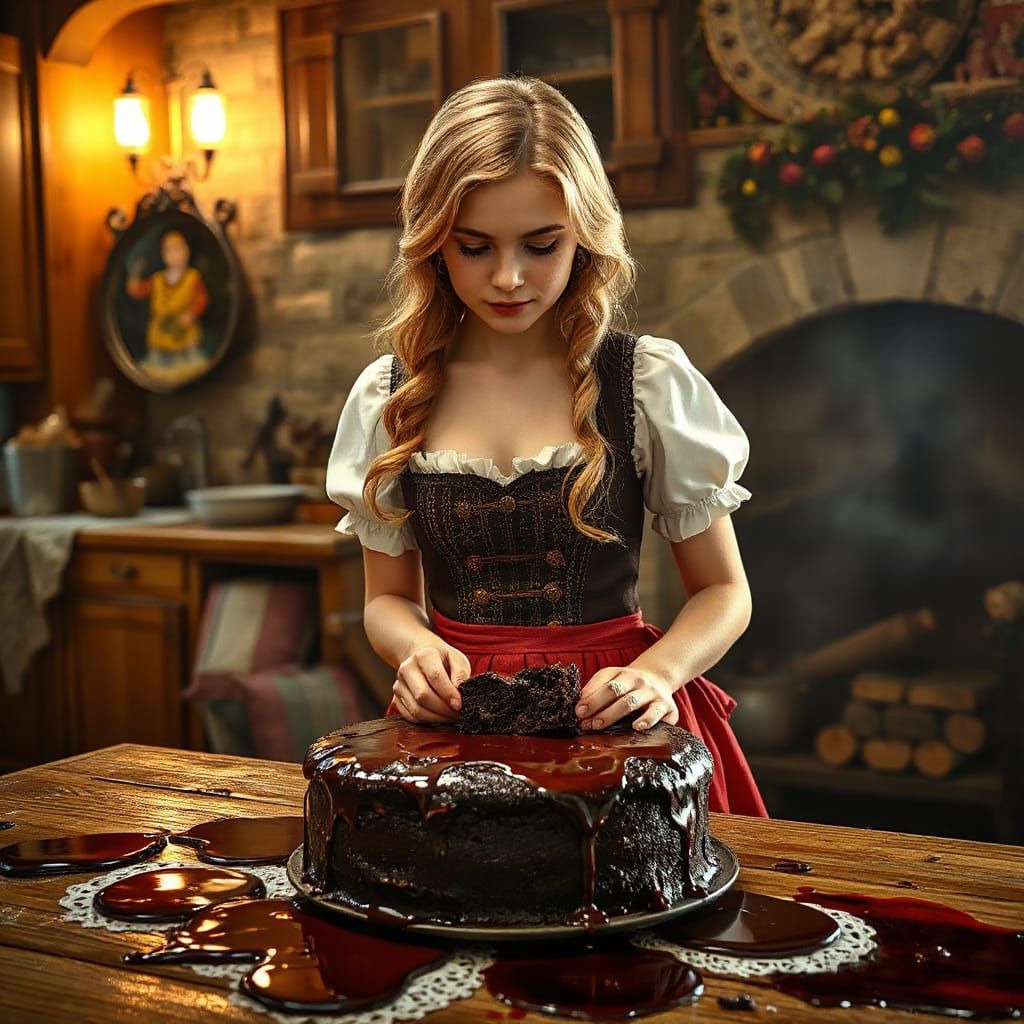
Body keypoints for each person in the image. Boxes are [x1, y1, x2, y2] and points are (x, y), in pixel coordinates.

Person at [326, 76, 767, 816]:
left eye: (541, 244)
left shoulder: (644, 381)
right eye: (474, 248)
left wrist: (658, 674)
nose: (508, 277)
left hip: (620, 726)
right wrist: (414, 652)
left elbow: (726, 592)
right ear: (435, 243)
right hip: (457, 731)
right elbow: (387, 602)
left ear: (584, 234)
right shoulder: (392, 396)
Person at [125, 229, 209, 370]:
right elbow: (138, 291)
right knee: (157, 363)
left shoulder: (193, 278)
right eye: (169, 251)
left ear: (186, 251)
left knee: (190, 363)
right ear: (163, 255)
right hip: (160, 333)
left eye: (178, 250)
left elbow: (201, 300)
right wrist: (134, 275)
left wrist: (191, 314)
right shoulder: (157, 279)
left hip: (184, 330)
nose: (174, 256)